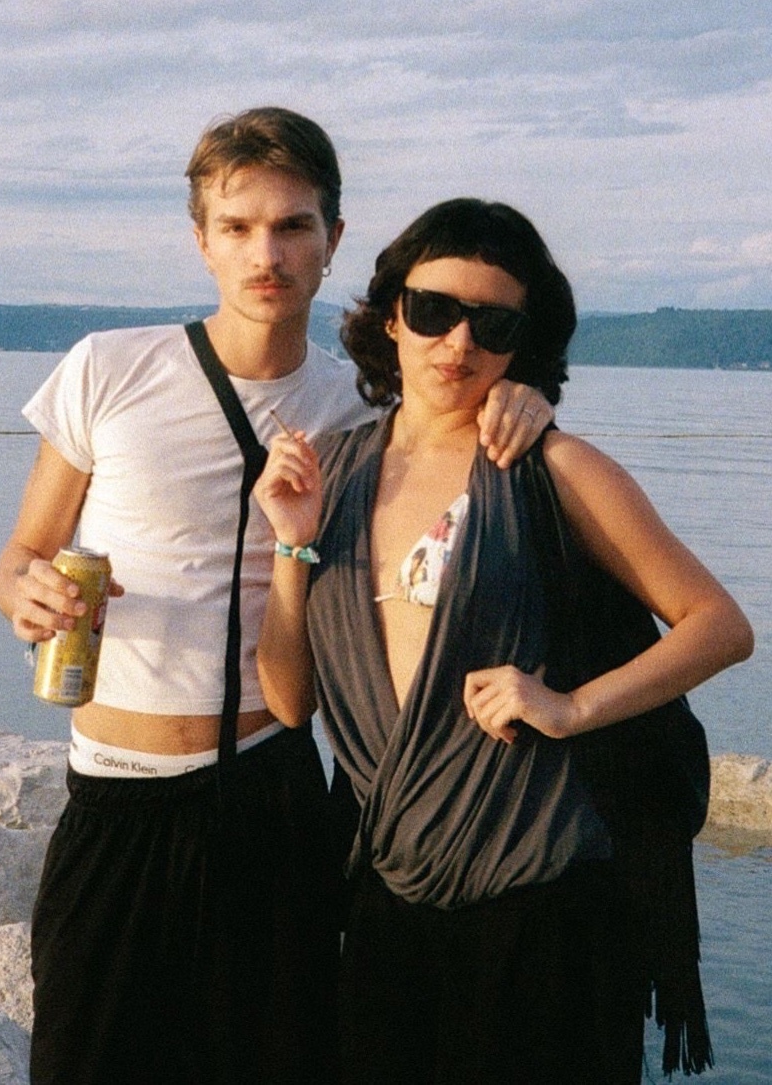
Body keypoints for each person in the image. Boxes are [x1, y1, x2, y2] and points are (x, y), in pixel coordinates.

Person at [0, 110, 554, 1085]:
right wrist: (26, 594)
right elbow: (21, 556)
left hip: (273, 790)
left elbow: (470, 403)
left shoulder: (360, 408)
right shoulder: (107, 369)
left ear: (333, 241)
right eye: (238, 225)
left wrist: (530, 395)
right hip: (115, 796)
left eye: (293, 225)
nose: (267, 252)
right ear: (199, 239)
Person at [254, 197, 754, 1084]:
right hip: (386, 908)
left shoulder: (552, 468)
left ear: (525, 340)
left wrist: (570, 706)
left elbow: (720, 625)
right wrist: (292, 544)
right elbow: (293, 702)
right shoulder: (333, 470)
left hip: (545, 915)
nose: (458, 344)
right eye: (435, 311)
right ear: (390, 316)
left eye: (493, 323)